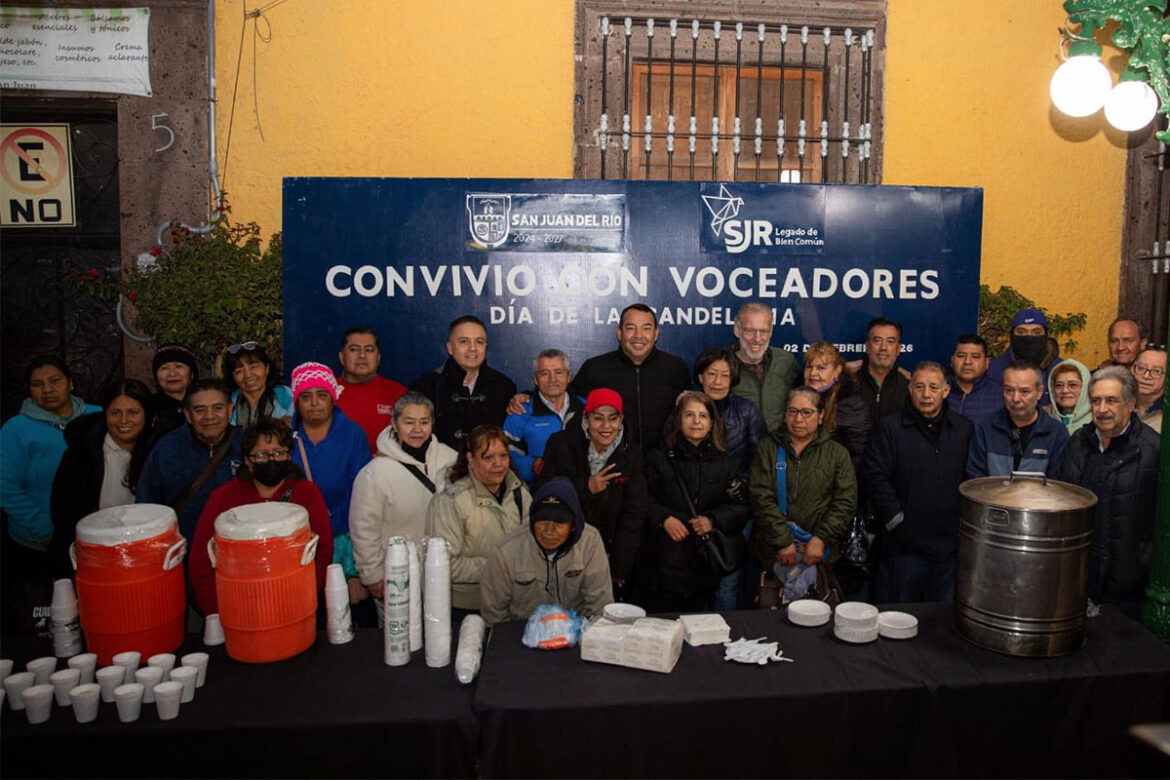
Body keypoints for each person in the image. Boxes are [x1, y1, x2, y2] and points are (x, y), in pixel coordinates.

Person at [188, 418, 333, 616]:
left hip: (296, 605)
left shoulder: (307, 493)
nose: (271, 460)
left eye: (278, 453)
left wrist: (304, 599)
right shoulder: (223, 498)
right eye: (262, 455)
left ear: (289, 455)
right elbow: (201, 563)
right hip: (238, 609)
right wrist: (218, 612)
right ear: (247, 460)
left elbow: (323, 551)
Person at [862, 361, 974, 602]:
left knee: (939, 624)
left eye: (934, 388)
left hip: (949, 550)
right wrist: (896, 520)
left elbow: (973, 479)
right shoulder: (889, 427)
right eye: (919, 386)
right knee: (898, 619)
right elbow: (875, 476)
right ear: (910, 389)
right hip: (903, 548)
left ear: (945, 391)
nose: (926, 394)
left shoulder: (964, 429)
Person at [349, 392, 458, 621]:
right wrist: (372, 577)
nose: (417, 430)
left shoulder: (450, 460)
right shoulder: (375, 473)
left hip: (444, 575)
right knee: (398, 640)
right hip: (397, 579)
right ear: (394, 424)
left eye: (424, 422)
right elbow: (363, 529)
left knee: (439, 640)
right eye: (409, 422)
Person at [1060, 367, 1159, 616]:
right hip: (1077, 581)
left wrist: (1143, 562)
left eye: (1111, 400)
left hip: (1126, 591)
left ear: (1130, 404)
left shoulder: (1151, 451)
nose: (1102, 409)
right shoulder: (1078, 443)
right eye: (1096, 401)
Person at [640, 391, 749, 613]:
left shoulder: (725, 463)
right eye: (689, 414)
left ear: (712, 423)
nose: (696, 421)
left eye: (703, 416)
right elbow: (639, 500)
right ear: (679, 420)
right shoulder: (658, 458)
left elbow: (741, 508)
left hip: (704, 568)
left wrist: (713, 520)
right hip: (663, 566)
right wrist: (663, 519)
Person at [537, 388, 648, 600]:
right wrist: (586, 487)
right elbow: (542, 492)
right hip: (564, 550)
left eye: (613, 419)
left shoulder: (631, 455)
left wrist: (618, 570)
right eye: (598, 419)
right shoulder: (560, 444)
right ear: (586, 419)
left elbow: (633, 516)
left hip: (610, 551)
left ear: (621, 420)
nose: (606, 427)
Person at [749, 386, 857, 600]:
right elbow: (760, 497)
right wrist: (783, 541)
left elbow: (845, 502)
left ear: (821, 416)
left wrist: (821, 539)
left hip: (820, 555)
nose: (799, 419)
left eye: (807, 412)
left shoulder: (837, 454)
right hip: (775, 553)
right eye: (792, 411)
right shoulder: (768, 448)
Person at [48, 379, 156, 578]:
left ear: (146, 414)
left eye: (133, 412)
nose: (124, 421)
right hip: (92, 558)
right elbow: (63, 511)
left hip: (145, 558)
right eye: (115, 413)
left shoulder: (158, 451)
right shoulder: (83, 453)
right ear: (105, 414)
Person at [425, 425, 531, 614]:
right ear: (471, 460)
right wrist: (499, 566)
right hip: (465, 608)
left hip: (510, 604)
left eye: (503, 456)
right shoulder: (450, 501)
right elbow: (445, 563)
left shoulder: (519, 493)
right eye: (488, 457)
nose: (498, 464)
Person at [480, 477, 614, 625]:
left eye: (559, 523)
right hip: (523, 636)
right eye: (542, 523)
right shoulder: (505, 553)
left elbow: (599, 605)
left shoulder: (590, 542)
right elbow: (493, 614)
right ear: (532, 522)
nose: (549, 532)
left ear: (573, 526)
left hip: (576, 633)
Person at [1, 356, 100, 553]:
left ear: (70, 383)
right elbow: (6, 488)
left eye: (55, 381)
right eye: (37, 384)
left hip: (97, 535)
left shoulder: (98, 416)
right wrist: (45, 531)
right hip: (39, 543)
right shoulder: (16, 429)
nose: (47, 390)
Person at [288, 362, 371, 595]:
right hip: (299, 543)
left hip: (344, 542)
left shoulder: (353, 433)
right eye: (306, 396)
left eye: (321, 395)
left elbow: (362, 491)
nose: (314, 403)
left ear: (333, 398)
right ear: (297, 401)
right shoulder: (285, 437)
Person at [566, 303, 692, 452]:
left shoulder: (675, 367)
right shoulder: (594, 369)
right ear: (619, 333)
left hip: (664, 464)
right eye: (631, 328)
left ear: (656, 334)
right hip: (613, 465)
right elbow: (565, 404)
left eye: (646, 328)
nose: (638, 336)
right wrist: (531, 397)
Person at [136, 379, 243, 542]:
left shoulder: (246, 445)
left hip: (238, 546)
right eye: (200, 410)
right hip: (183, 551)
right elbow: (146, 505)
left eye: (218, 408)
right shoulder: (167, 449)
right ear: (188, 414)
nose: (210, 416)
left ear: (230, 409)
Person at [411, 315, 516, 448]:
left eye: (479, 342)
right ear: (450, 348)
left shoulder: (504, 387)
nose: (473, 348)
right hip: (440, 466)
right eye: (464, 342)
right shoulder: (427, 385)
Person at [967, 362, 1069, 479]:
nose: (1015, 398)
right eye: (1009, 390)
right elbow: (975, 478)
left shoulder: (1056, 433)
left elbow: (1057, 484)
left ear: (1039, 393)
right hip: (990, 496)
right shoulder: (985, 427)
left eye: (1024, 392)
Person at [504, 349, 585, 484]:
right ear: (536, 379)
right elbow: (505, 456)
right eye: (544, 373)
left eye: (558, 372)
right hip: (537, 496)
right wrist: (532, 466)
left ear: (569, 376)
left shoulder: (587, 409)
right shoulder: (519, 413)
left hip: (582, 496)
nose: (552, 379)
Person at [728, 302, 801, 432]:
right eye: (750, 330)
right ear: (737, 330)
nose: (757, 339)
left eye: (763, 331)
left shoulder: (786, 361)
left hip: (779, 448)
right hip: (738, 449)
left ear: (771, 331)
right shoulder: (722, 364)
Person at [334, 326, 407, 454]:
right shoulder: (326, 393)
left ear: (378, 358)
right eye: (354, 349)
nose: (362, 356)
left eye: (369, 350)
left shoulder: (398, 393)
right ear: (341, 357)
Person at [802, 342, 871, 472]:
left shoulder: (852, 405)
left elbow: (858, 458)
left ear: (837, 371)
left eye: (821, 368)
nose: (813, 373)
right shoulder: (797, 398)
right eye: (809, 367)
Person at [986, 308, 1060, 409]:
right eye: (1021, 332)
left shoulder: (1060, 369)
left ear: (1046, 335)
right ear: (1012, 335)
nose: (1029, 338)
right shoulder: (993, 369)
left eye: (1036, 332)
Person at [850, 317, 910, 422]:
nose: (883, 347)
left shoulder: (909, 386)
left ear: (899, 349)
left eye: (890, 342)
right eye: (877, 341)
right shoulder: (847, 382)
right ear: (867, 346)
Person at [222, 341, 293, 427]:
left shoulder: (286, 396)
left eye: (254, 367)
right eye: (239, 371)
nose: (248, 375)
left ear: (267, 368)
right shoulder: (228, 402)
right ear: (232, 376)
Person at [946, 334, 1000, 421]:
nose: (967, 362)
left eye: (975, 357)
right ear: (952, 361)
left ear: (987, 362)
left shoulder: (1000, 395)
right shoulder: (937, 390)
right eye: (961, 356)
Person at [151, 343, 199, 435]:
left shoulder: (204, 402)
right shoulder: (149, 407)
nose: (172, 374)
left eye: (179, 366)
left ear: (192, 374)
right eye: (164, 368)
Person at [1046, 359, 1093, 435]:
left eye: (1073, 385)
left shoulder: (1097, 424)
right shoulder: (1045, 423)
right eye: (1059, 385)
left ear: (1085, 388)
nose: (1065, 390)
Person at [1132, 348, 1165, 433]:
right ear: (1133, 370)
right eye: (1141, 368)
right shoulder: (1120, 403)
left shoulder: (1166, 415)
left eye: (1157, 371)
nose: (1146, 376)